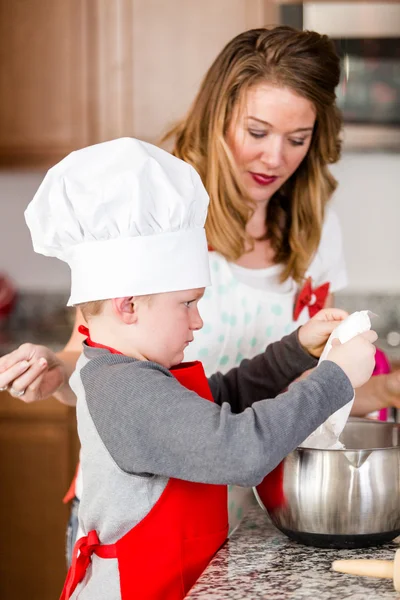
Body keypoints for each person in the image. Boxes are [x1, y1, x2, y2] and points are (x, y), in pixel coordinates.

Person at [1, 25, 399, 547]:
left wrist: (351, 375)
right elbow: (99, 350)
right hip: (153, 510)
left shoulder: (315, 229)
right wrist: (59, 369)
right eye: (257, 133)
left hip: (250, 495)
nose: (275, 158)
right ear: (220, 119)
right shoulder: (159, 214)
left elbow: (229, 396)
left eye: (297, 139)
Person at [24, 136, 376, 600]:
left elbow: (222, 395)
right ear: (127, 303)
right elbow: (240, 452)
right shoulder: (125, 390)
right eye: (187, 303)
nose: (198, 320)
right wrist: (337, 378)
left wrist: (297, 349)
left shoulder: (125, 370)